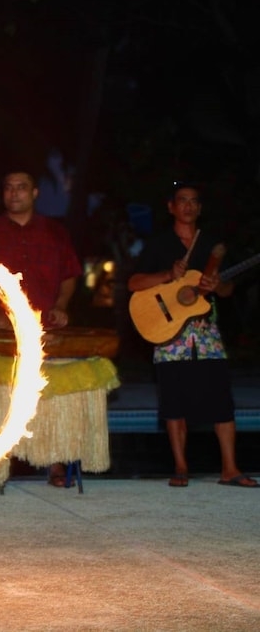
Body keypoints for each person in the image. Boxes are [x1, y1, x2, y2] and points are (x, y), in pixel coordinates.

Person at [127, 182, 256, 488]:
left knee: (222, 402)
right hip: (169, 336)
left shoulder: (213, 245)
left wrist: (218, 287)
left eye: (194, 201)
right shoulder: (158, 245)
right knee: (174, 404)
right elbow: (133, 282)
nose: (188, 206)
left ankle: (230, 469)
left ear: (199, 208)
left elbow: (226, 290)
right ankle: (181, 467)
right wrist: (167, 276)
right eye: (182, 200)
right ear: (171, 206)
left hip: (207, 335)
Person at [0, 171, 82, 486]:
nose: (14, 193)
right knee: (5, 393)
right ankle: (1, 463)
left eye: (21, 188)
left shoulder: (56, 232)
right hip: (2, 332)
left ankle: (55, 463)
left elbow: (70, 275)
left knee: (52, 393)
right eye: (8, 187)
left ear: (35, 193)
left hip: (44, 329)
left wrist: (61, 306)